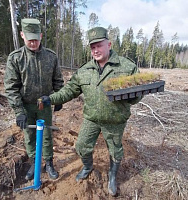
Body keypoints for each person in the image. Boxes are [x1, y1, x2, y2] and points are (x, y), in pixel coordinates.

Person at [40, 27, 141, 196]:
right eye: (92, 47)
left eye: (99, 46)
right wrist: (51, 99)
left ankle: (113, 176)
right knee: (81, 146)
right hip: (92, 118)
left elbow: (137, 94)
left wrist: (135, 95)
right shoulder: (84, 70)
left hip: (115, 119)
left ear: (108, 44)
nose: (95, 50)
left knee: (115, 150)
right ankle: (88, 166)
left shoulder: (127, 67)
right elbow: (69, 90)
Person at [4, 18, 64, 181]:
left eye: (36, 39)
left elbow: (58, 80)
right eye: (29, 39)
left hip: (44, 105)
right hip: (26, 106)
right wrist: (18, 111)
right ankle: (34, 162)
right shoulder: (16, 58)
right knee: (29, 135)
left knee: (46, 135)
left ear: (41, 36)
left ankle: (49, 163)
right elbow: (11, 87)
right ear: (22, 35)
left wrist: (58, 99)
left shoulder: (51, 57)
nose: (33, 42)